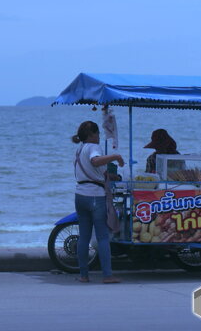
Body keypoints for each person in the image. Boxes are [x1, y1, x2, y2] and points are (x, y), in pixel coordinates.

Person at [72, 120, 124, 283]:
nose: (99, 136)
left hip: (80, 195)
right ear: (92, 135)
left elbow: (92, 169)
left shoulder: (80, 149)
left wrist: (109, 175)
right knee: (102, 236)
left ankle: (83, 275)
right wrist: (115, 156)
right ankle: (107, 275)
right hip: (95, 196)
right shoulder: (93, 147)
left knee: (84, 237)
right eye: (98, 133)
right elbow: (95, 161)